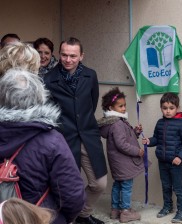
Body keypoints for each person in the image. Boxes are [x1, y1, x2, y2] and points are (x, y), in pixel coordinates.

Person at [0, 68, 85, 224]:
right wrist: (63, 219)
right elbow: (72, 196)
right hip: (40, 217)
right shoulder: (51, 141)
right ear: (39, 97)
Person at [43, 37, 108, 224]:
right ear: (59, 54)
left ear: (81, 56)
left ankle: (83, 214)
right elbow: (50, 112)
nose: (68, 59)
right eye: (64, 55)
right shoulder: (48, 79)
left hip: (88, 136)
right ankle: (69, 219)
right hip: (64, 139)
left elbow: (92, 103)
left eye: (73, 55)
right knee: (67, 187)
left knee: (99, 183)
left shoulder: (91, 75)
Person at [142, 92, 182, 223]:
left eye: (171, 108)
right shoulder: (160, 123)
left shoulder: (181, 124)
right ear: (161, 108)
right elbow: (156, 139)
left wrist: (180, 157)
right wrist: (149, 141)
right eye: (165, 108)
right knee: (165, 186)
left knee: (177, 187)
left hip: (175, 162)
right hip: (162, 161)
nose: (168, 111)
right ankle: (168, 207)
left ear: (177, 108)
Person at [97, 87, 145, 223]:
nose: (124, 108)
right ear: (111, 107)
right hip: (123, 162)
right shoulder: (117, 123)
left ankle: (115, 210)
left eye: (124, 105)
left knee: (118, 185)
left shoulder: (115, 122)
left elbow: (125, 138)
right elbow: (122, 144)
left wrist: (135, 132)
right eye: (120, 106)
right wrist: (137, 151)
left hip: (118, 163)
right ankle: (125, 212)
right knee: (126, 186)